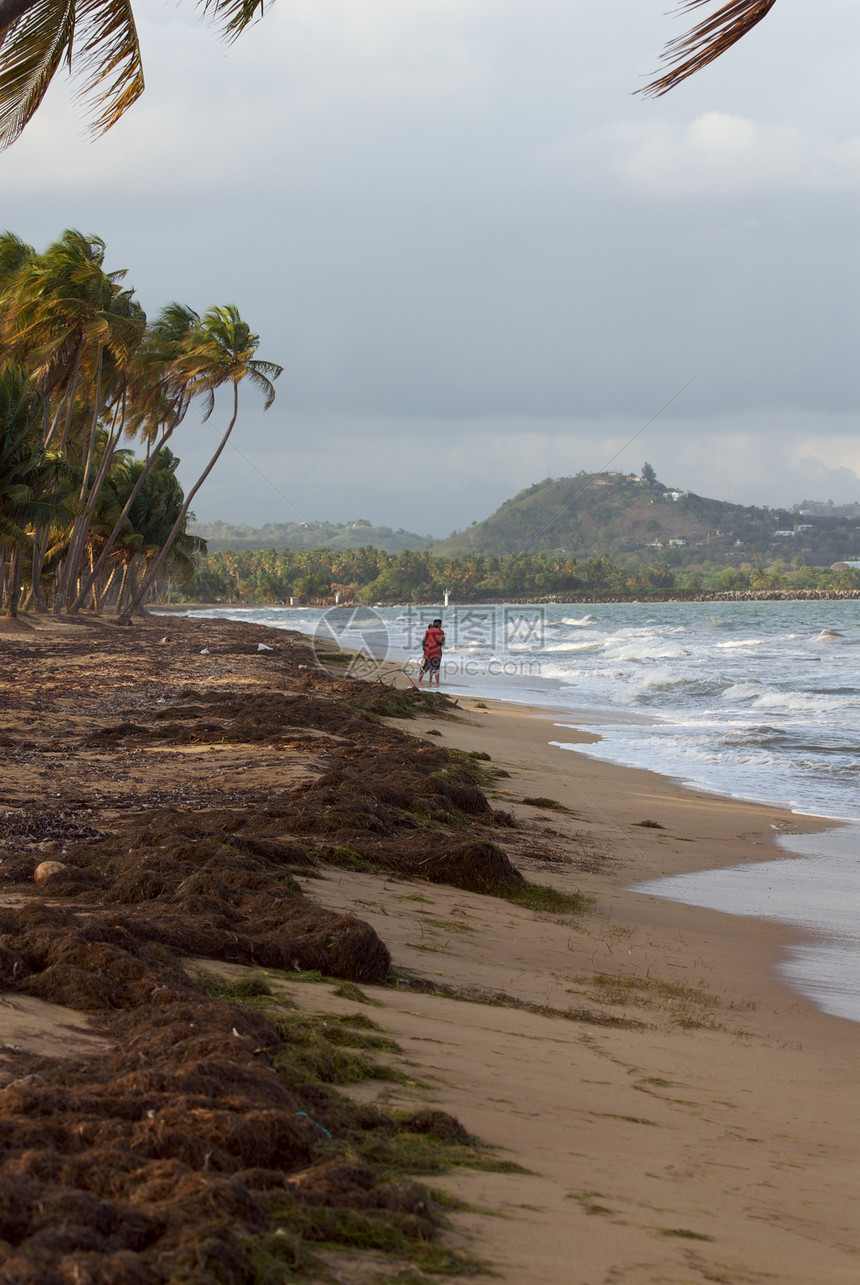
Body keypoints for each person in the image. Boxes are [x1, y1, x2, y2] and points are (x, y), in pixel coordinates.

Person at [418, 618, 445, 685]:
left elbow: (423, 641)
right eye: (441, 624)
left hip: (428, 652)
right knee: (436, 669)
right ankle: (437, 684)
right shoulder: (441, 632)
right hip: (437, 653)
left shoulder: (428, 631)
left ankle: (419, 681)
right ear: (439, 625)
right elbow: (443, 643)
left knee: (424, 668)